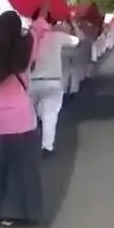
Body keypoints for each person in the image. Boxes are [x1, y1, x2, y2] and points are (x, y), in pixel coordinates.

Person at [0, 2, 50, 226]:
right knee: (17, 169)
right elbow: (39, 24)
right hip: (21, 121)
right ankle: (10, 211)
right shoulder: (27, 46)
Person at [29, 17, 80, 157]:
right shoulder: (57, 36)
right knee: (50, 115)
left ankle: (27, 143)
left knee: (29, 115)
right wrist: (71, 23)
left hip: (31, 82)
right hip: (53, 81)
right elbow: (76, 41)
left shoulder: (29, 36)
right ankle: (47, 146)